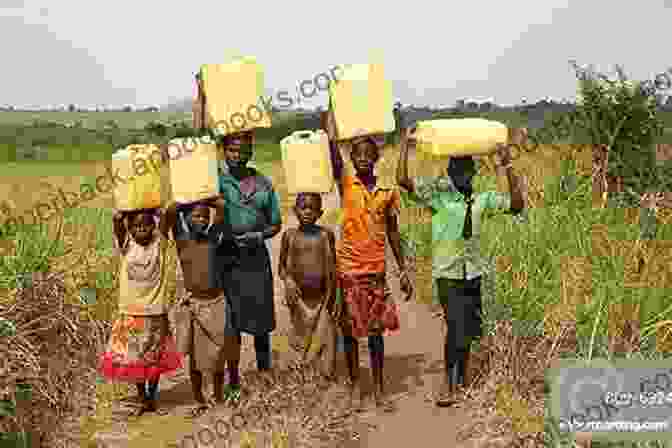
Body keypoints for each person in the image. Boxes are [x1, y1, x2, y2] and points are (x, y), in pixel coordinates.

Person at [396, 125, 525, 407]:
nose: (462, 176)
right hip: (448, 274)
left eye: (467, 171)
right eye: (457, 171)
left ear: (473, 174)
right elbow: (403, 181)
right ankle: (448, 383)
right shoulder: (439, 196)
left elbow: (517, 205)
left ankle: (463, 378)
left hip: (473, 272)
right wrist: (406, 145)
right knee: (455, 326)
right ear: (450, 174)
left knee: (468, 329)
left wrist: (508, 166)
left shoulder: (483, 199)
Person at [323, 106, 413, 410]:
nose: (362, 158)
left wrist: (403, 270)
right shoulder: (347, 184)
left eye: (367, 154)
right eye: (357, 154)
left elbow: (393, 233)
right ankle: (353, 385)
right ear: (352, 158)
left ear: (375, 159)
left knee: (375, 334)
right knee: (349, 333)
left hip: (375, 271)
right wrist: (331, 127)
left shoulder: (387, 192)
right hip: (348, 271)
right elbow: (334, 157)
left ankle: (378, 388)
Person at [99, 208, 183, 416]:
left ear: (154, 227)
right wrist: (130, 208)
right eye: (136, 226)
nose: (142, 229)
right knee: (135, 359)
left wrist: (153, 207)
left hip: (155, 312)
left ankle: (152, 396)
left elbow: (166, 214)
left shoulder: (159, 245)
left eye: (146, 225)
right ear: (130, 229)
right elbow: (117, 218)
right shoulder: (127, 246)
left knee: (154, 357)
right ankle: (142, 396)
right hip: (131, 313)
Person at [166, 197, 242, 417]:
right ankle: (199, 399)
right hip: (194, 305)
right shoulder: (182, 240)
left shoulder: (213, 238)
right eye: (195, 216)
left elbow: (222, 207)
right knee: (195, 360)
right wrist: (185, 199)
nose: (200, 220)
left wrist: (204, 195)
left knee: (218, 354)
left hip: (216, 303)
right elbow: (171, 212)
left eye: (204, 216)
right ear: (186, 219)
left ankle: (218, 396)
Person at [216, 131, 282, 378]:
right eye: (232, 150)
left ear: (251, 152)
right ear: (223, 151)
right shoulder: (215, 182)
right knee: (230, 320)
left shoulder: (263, 184)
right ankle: (233, 378)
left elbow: (275, 224)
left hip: (256, 258)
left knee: (261, 317)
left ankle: (265, 372)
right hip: (227, 257)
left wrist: (258, 236)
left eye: (243, 151)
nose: (237, 156)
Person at [278, 192, 338, 379]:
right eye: (303, 208)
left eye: (312, 209)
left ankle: (324, 376)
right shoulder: (290, 236)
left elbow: (333, 268)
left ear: (319, 213)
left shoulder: (325, 235)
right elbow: (281, 267)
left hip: (322, 298)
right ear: (295, 211)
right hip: (299, 300)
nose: (307, 212)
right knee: (301, 339)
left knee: (324, 338)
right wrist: (288, 280)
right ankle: (301, 372)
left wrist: (334, 298)